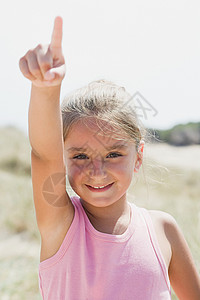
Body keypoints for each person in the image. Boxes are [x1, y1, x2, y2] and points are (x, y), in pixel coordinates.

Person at [19, 16, 200, 300]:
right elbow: (44, 154)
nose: (97, 170)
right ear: (64, 159)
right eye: (80, 155)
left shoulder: (163, 230)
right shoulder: (62, 225)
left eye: (113, 153)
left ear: (138, 157)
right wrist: (45, 89)